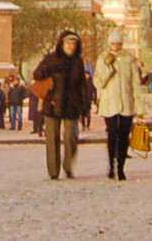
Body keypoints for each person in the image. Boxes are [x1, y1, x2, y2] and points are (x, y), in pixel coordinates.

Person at [33, 29, 93, 180]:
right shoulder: (51, 58)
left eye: (74, 43)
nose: (71, 46)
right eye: (68, 43)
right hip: (52, 103)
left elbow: (82, 85)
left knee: (71, 137)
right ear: (62, 44)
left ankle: (68, 165)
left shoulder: (78, 62)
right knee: (52, 139)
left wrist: (85, 104)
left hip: (71, 104)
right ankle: (53, 171)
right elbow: (37, 74)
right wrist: (53, 67)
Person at [93, 27, 144, 181]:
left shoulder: (129, 60)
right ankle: (111, 165)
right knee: (112, 134)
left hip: (126, 102)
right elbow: (98, 82)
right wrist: (108, 68)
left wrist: (140, 107)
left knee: (123, 136)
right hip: (110, 103)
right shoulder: (103, 58)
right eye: (113, 44)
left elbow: (136, 84)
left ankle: (121, 167)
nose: (116, 46)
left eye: (119, 43)